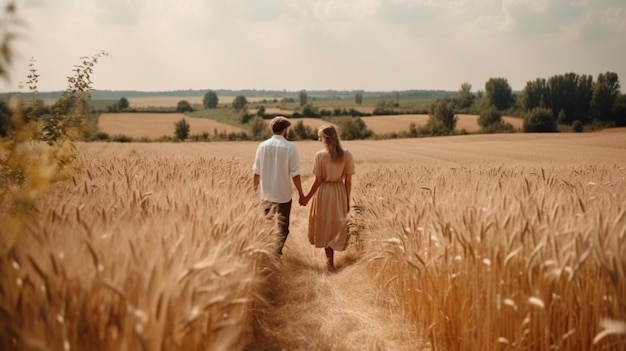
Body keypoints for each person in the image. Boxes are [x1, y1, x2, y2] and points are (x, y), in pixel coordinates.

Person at [300, 125, 355, 271]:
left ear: (327, 138)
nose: (319, 140)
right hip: (339, 192)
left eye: (320, 137)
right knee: (336, 224)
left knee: (325, 224)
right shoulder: (347, 155)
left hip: (324, 192)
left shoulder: (320, 156)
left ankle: (329, 261)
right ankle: (331, 260)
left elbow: (318, 181)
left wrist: (306, 198)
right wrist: (347, 201)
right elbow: (348, 182)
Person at [253, 116, 304, 255]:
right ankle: (276, 253)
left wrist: (253, 192)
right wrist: (301, 194)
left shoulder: (262, 146)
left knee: (267, 225)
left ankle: (267, 252)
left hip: (266, 194)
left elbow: (256, 172)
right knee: (283, 228)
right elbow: (295, 174)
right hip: (283, 195)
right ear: (285, 130)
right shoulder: (290, 147)